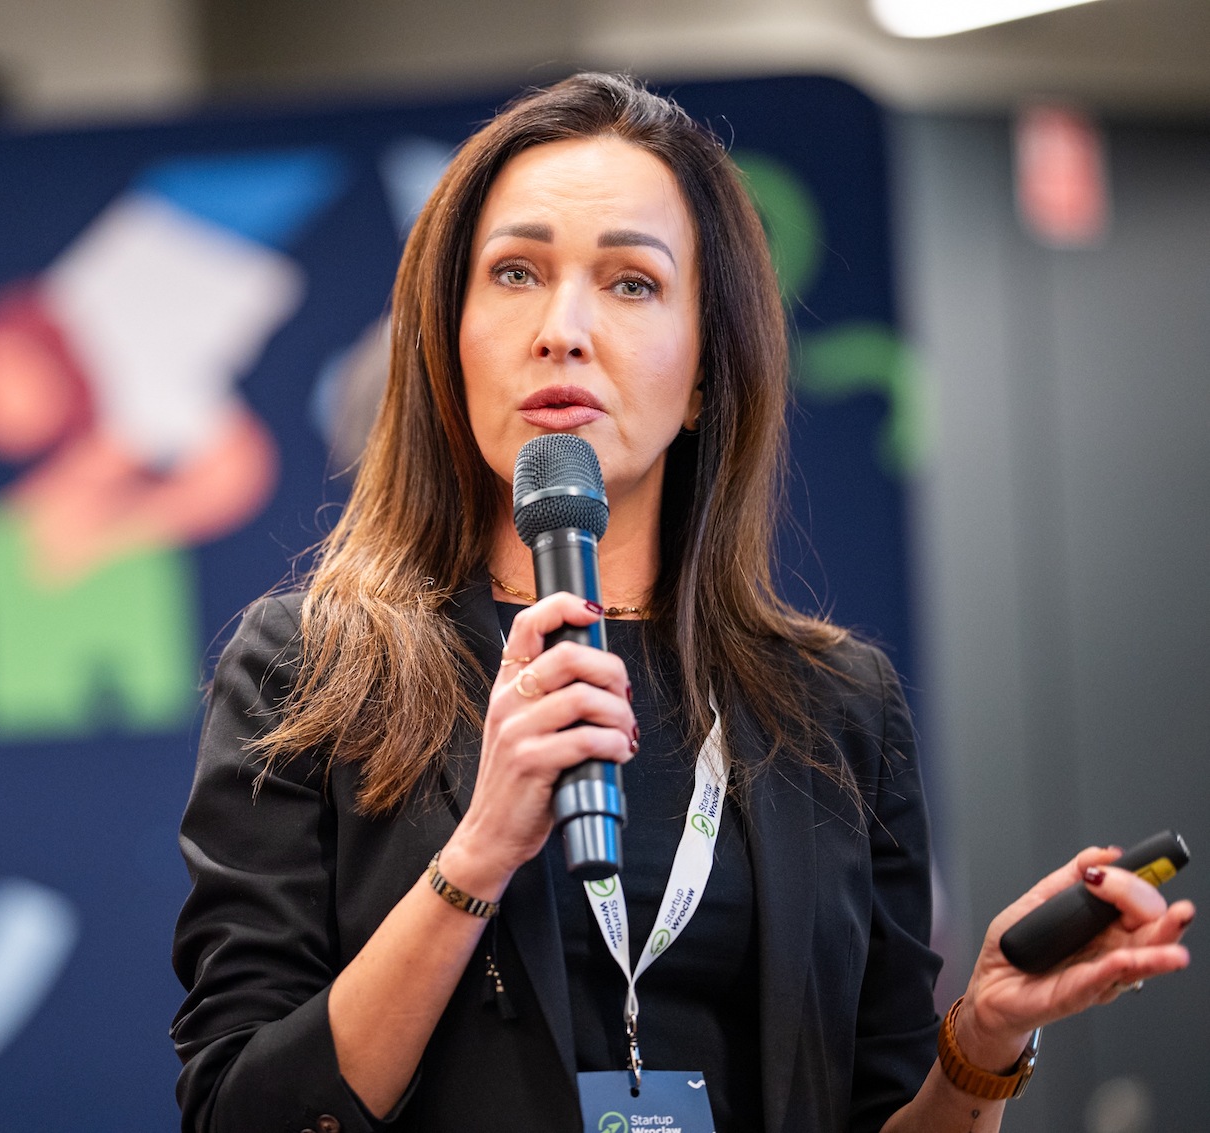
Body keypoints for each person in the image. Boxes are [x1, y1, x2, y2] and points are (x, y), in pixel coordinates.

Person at [170, 73, 1193, 1133]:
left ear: (705, 368)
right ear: (446, 335)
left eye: (631, 283)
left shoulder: (835, 705)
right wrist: (476, 857)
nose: (563, 329)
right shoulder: (310, 670)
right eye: (515, 272)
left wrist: (981, 1042)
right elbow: (244, 1112)